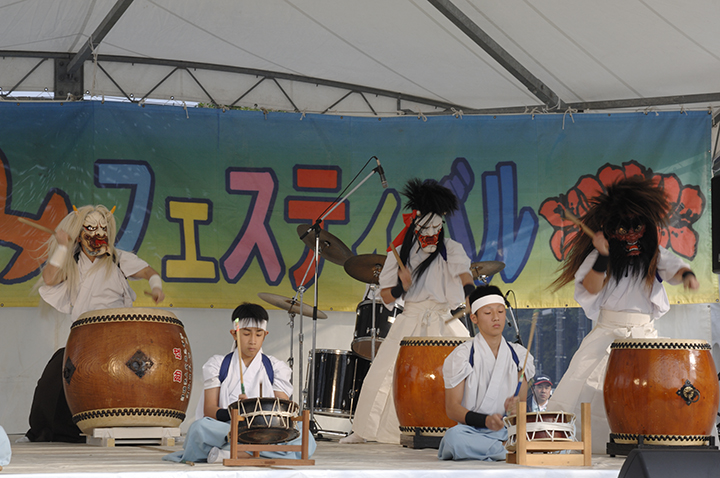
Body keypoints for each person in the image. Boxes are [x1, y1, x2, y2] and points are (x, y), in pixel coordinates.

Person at [547, 176, 700, 453]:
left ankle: (649, 440)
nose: (630, 235)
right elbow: (591, 287)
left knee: (653, 389)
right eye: (622, 228)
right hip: (607, 331)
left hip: (645, 336)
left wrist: (687, 276)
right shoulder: (599, 256)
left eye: (636, 227)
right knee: (580, 378)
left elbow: (675, 269)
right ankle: (562, 440)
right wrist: (603, 256)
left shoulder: (654, 255)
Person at [341, 178, 475, 444]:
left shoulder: (452, 249)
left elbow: (465, 276)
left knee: (467, 369)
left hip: (444, 319)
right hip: (411, 318)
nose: (431, 234)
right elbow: (386, 296)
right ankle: (365, 429)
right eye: (426, 228)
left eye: (437, 228)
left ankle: (463, 426)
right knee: (384, 373)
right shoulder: (399, 253)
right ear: (415, 224)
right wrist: (401, 287)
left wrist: (472, 295)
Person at [22, 205, 164, 443]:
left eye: (103, 228)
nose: (98, 234)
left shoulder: (118, 259)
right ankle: (48, 432)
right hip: (84, 336)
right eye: (91, 228)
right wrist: (63, 247)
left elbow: (150, 272)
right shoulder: (73, 262)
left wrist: (156, 287)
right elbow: (49, 278)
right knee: (55, 377)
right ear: (80, 235)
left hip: (119, 335)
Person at [163, 302, 315, 463]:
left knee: (307, 436)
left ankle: (235, 453)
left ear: (265, 335)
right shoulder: (218, 364)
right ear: (234, 334)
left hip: (266, 429)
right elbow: (209, 409)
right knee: (199, 428)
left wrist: (258, 412)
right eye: (246, 333)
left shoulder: (275, 367)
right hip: (229, 428)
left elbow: (283, 408)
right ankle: (257, 453)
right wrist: (237, 411)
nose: (252, 341)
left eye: (258, 334)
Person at [438, 285, 535, 461]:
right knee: (454, 438)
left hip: (507, 430)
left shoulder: (520, 356)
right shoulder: (462, 356)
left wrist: (515, 408)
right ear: (474, 318)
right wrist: (485, 421)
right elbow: (452, 409)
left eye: (500, 311)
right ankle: (509, 451)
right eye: (488, 313)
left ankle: (504, 449)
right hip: (472, 431)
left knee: (554, 431)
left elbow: (520, 405)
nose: (496, 317)